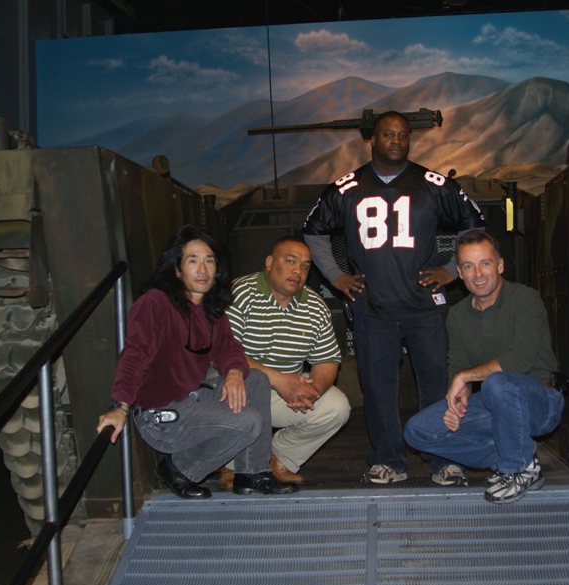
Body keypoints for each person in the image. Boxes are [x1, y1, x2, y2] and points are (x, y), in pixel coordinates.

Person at [302, 110, 486, 485]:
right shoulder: (347, 187)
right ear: (373, 139)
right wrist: (336, 276)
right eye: (388, 134)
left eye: (403, 135)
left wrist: (450, 270)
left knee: (436, 382)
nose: (397, 141)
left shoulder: (431, 183)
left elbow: (475, 222)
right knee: (378, 386)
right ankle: (389, 459)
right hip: (373, 306)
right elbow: (313, 231)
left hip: (424, 304)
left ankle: (443, 458)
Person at [96, 225, 296, 499]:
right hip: (161, 416)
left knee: (256, 379)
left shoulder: (211, 308)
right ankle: (180, 469)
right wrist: (119, 405)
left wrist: (235, 372)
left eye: (209, 260)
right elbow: (135, 355)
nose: (203, 269)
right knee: (249, 421)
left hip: (192, 401)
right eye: (193, 260)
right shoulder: (155, 303)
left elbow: (228, 347)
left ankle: (252, 473)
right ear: (177, 269)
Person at [403, 230, 565, 504]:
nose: (478, 274)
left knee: (497, 383)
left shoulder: (525, 300)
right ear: (460, 274)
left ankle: (515, 470)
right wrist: (459, 399)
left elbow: (521, 359)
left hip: (541, 402)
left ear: (500, 266)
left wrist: (465, 377)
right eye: (468, 266)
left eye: (485, 263)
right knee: (417, 431)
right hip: (495, 405)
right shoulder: (457, 316)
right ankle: (520, 460)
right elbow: (460, 365)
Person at [219, 236, 350, 486]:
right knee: (230, 387)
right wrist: (280, 381)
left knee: (336, 407)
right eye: (290, 261)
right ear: (269, 262)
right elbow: (225, 352)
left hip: (283, 395)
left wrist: (313, 390)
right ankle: (233, 463)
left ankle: (277, 458)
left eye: (305, 266)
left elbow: (327, 360)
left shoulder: (315, 306)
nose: (297, 271)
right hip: (237, 386)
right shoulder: (238, 293)